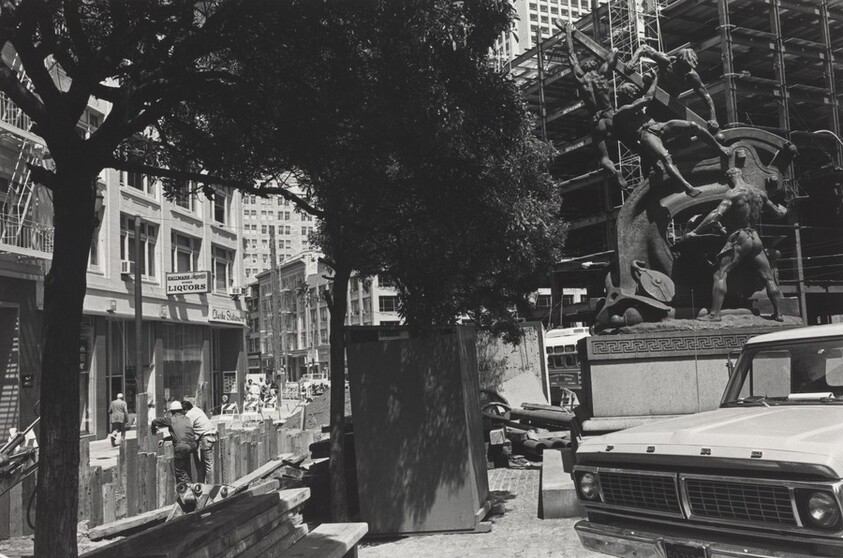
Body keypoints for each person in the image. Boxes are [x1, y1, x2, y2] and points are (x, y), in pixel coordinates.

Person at [681, 167, 788, 321]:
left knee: (720, 274)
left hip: (740, 237)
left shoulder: (733, 193)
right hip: (755, 238)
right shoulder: (760, 193)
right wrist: (783, 210)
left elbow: (714, 216)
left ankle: (714, 315)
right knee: (768, 277)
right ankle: (779, 314)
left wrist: (695, 231)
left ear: (729, 178)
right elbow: (778, 214)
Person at [613, 79, 731, 197]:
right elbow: (647, 98)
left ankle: (719, 148)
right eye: (633, 92)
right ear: (627, 94)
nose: (635, 93)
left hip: (658, 126)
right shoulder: (622, 111)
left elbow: (647, 96)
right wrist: (655, 80)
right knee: (665, 157)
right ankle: (688, 187)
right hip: (646, 135)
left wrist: (654, 80)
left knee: (693, 126)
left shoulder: (635, 102)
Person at [565, 22, 627, 189]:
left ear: (584, 69)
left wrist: (568, 34)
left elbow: (571, 56)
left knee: (603, 158)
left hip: (597, 121)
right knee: (634, 138)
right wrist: (613, 52)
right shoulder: (602, 75)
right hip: (611, 116)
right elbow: (613, 54)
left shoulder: (582, 80)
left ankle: (615, 172)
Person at [629, 44, 719, 131]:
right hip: (652, 97)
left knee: (684, 136)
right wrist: (632, 62)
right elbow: (644, 48)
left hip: (668, 106)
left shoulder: (691, 76)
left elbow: (706, 96)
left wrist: (713, 118)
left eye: (690, 68)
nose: (688, 70)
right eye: (686, 66)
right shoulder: (665, 62)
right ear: (678, 61)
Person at [151, 401, 198, 485]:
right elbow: (180, 435)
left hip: (182, 447)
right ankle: (192, 485)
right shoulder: (186, 418)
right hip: (193, 445)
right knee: (187, 468)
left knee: (180, 471)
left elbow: (155, 421)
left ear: (172, 412)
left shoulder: (171, 419)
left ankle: (188, 489)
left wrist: (153, 429)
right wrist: (165, 439)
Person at [181, 400, 217, 484]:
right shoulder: (196, 409)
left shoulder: (189, 415)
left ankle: (209, 488)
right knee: (208, 464)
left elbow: (189, 431)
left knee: (208, 466)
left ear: (185, 410)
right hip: (211, 436)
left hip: (206, 437)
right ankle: (204, 484)